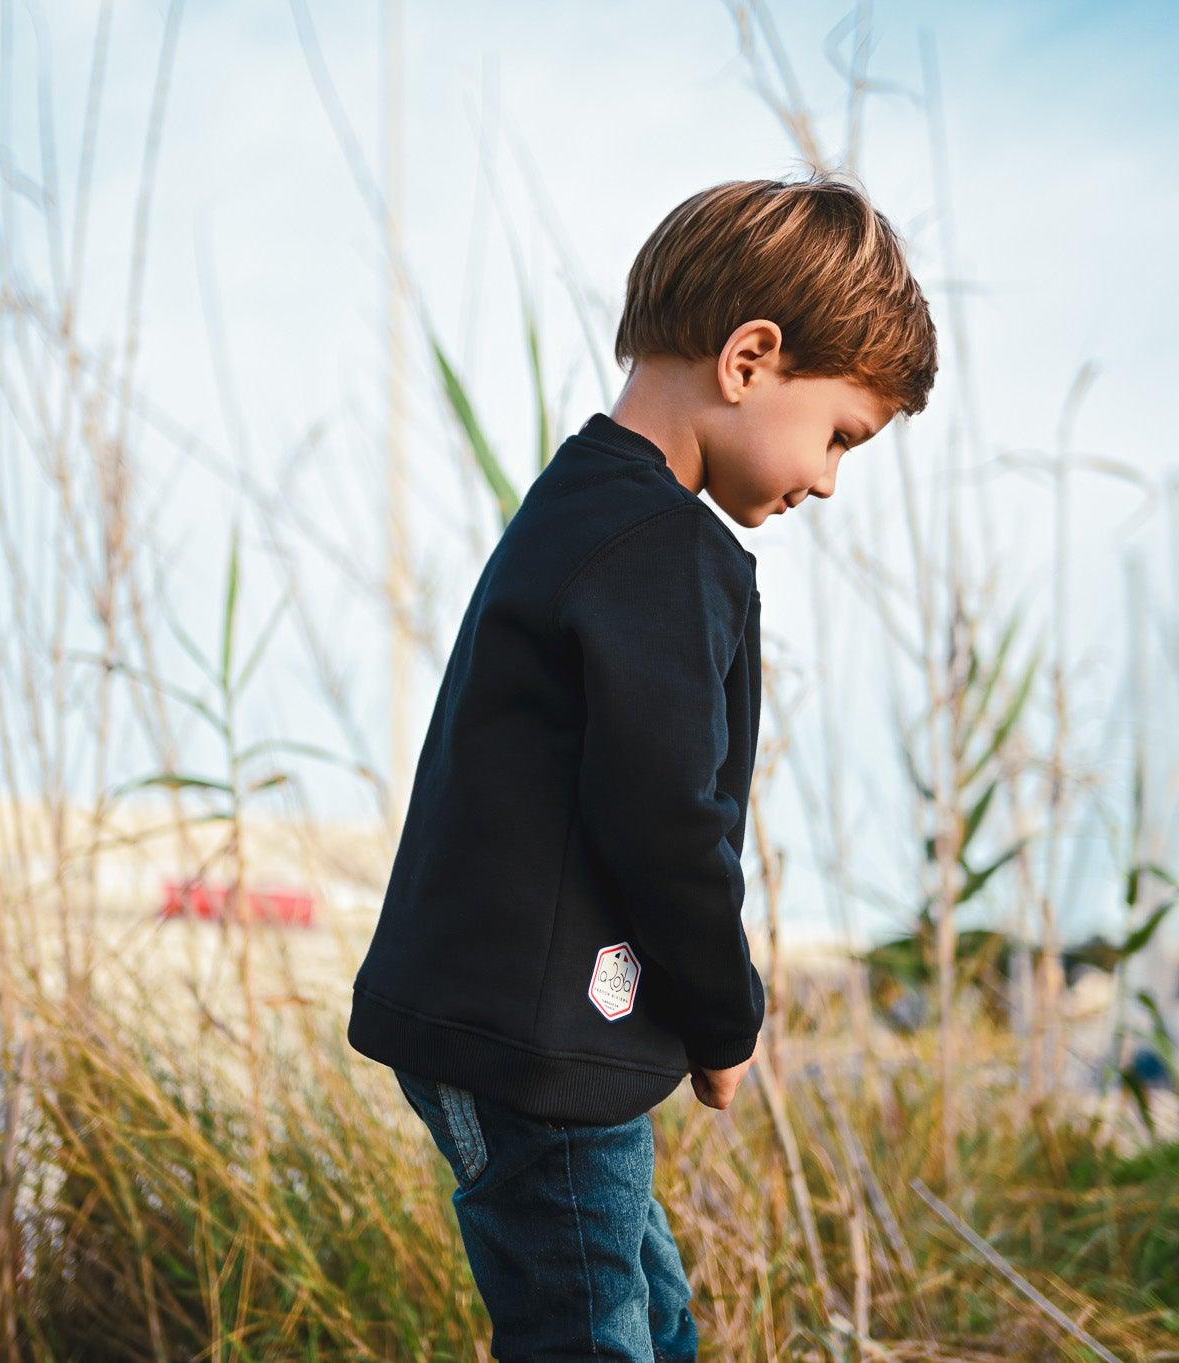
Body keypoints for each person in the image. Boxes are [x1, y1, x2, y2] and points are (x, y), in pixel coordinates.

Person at [346, 172, 937, 1360]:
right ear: (749, 357)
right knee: (588, 1329)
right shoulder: (658, 553)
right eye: (837, 435)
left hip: (508, 1023)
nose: (826, 478)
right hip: (539, 1043)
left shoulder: (575, 510)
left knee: (641, 1311)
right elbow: (668, 822)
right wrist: (725, 1017)